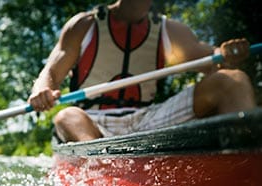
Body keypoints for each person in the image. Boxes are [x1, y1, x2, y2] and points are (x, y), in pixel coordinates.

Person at [28, 0, 256, 143]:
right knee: (67, 116)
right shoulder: (84, 25)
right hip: (92, 121)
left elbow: (213, 61)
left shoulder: (170, 30)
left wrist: (226, 55)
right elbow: (51, 73)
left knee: (232, 81)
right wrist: (41, 91)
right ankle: (101, 173)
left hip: (148, 119)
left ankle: (246, 163)